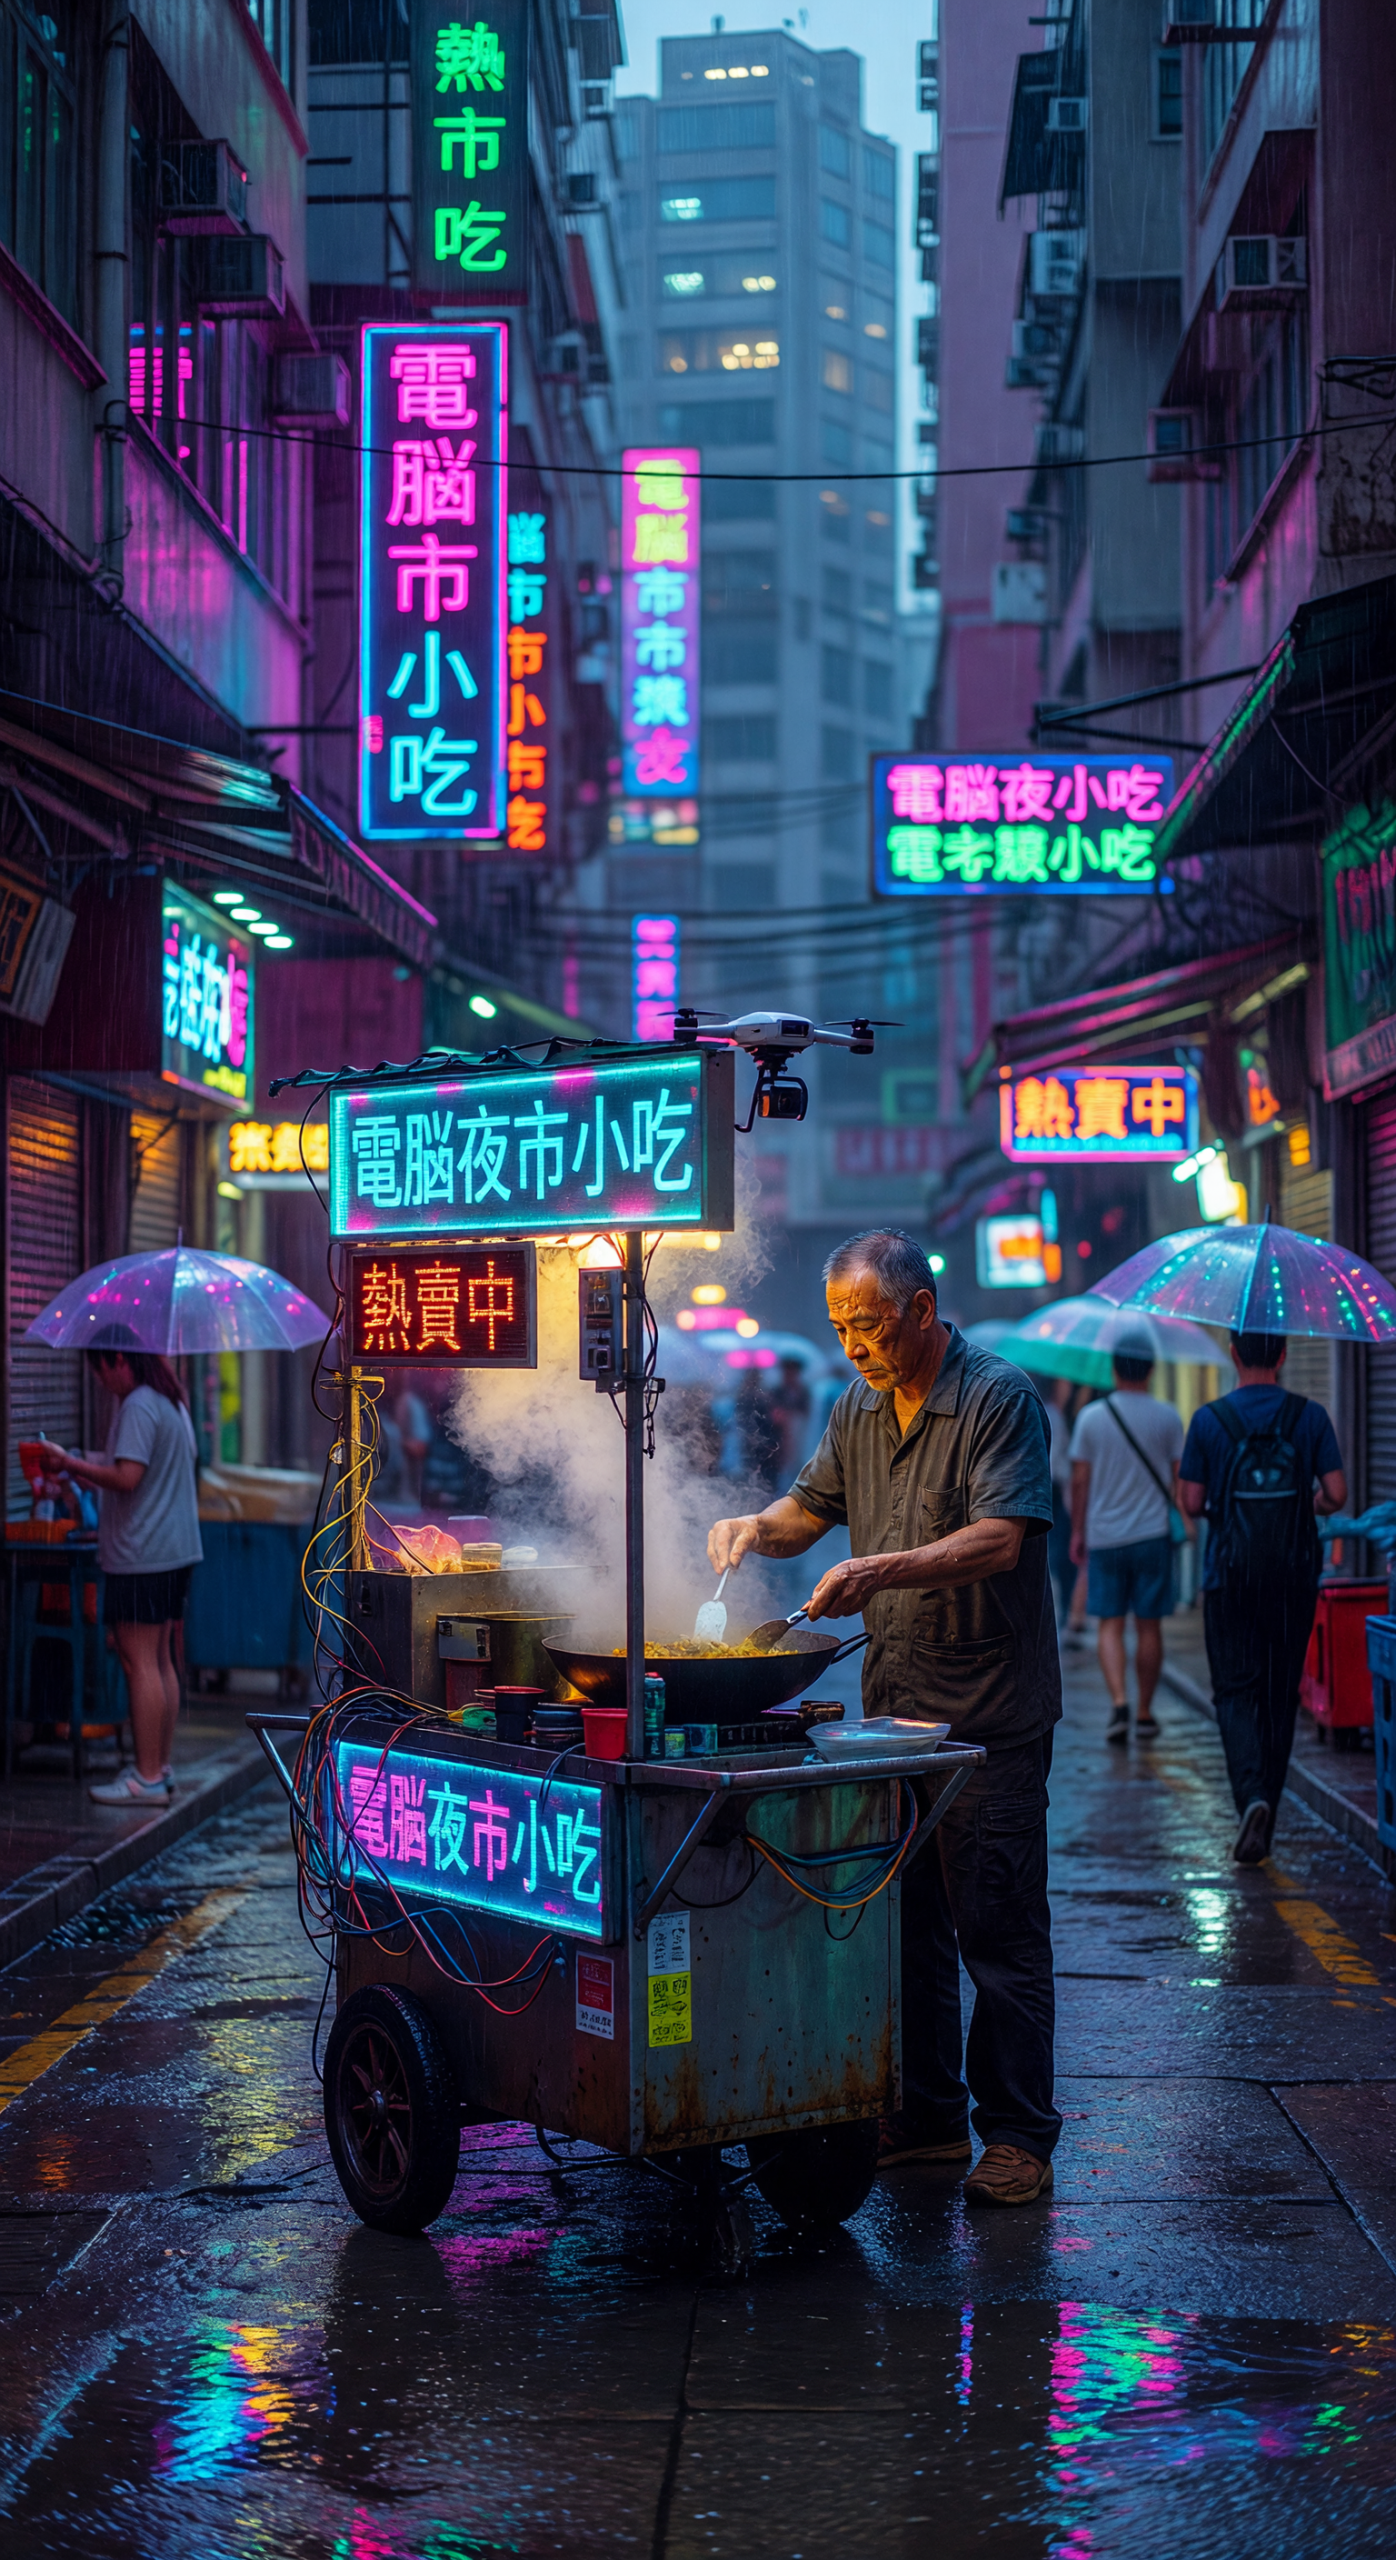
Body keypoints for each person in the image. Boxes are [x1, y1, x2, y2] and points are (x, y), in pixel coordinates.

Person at [708, 1228, 1061, 2207]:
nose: (854, 1345)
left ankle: (1020, 2132)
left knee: (995, 1926)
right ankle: (928, 2116)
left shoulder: (996, 1398)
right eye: (838, 1329)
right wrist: (751, 1527)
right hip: (892, 1717)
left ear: (918, 1309)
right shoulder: (858, 1408)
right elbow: (806, 1509)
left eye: (865, 1326)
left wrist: (878, 1570)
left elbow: (999, 1539)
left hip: (984, 1718)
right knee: (903, 1929)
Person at [1178, 1329, 1346, 1865]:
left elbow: (1192, 1498)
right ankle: (1266, 1805)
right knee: (1279, 1693)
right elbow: (1337, 1495)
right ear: (1284, 1355)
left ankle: (1250, 1796)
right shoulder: (1310, 1416)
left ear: (1233, 1354)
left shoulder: (1209, 1420)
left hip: (1229, 1578)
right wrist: (1303, 1504)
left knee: (1234, 1692)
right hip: (1293, 1578)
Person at [38, 1338, 203, 1806]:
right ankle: (159, 1768)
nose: (102, 1383)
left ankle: (146, 1777)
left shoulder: (138, 1405)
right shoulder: (171, 1402)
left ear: (118, 1361)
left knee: (138, 1661)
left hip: (142, 1553)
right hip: (173, 1551)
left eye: (101, 1371)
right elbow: (136, 1467)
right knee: (159, 1659)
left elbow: (128, 1477)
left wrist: (69, 1464)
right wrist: (84, 1461)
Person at [1068, 1337, 1185, 1747]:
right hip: (1153, 1535)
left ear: (1115, 1370)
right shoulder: (1168, 1417)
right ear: (1151, 1369)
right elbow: (1179, 1479)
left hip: (1106, 1537)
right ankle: (1145, 1712)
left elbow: (1080, 1481)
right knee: (1149, 1626)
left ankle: (1118, 1701)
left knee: (1110, 1625)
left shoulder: (1092, 1418)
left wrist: (1078, 1530)